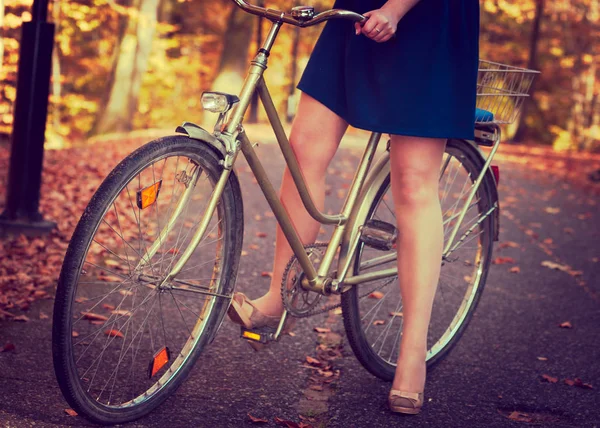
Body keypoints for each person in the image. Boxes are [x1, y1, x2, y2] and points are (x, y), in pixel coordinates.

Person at [227, 0, 480, 415]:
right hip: (358, 14)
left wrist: (397, 10)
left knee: (414, 180)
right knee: (304, 148)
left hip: (429, 20)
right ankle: (279, 296)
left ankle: (412, 354)